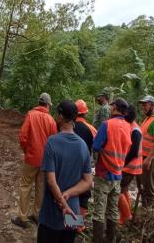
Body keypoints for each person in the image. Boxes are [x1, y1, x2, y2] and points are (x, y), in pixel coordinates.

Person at [38, 100, 93, 243]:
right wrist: (69, 194)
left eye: (58, 114)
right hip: (73, 214)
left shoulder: (52, 142)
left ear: (61, 117)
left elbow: (51, 181)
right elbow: (88, 181)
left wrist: (63, 204)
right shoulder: (82, 145)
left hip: (52, 214)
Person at [12, 93, 57, 228]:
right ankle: (37, 215)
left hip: (31, 158)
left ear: (39, 102)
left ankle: (23, 217)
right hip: (45, 161)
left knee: (25, 185)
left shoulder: (31, 115)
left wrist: (27, 151)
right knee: (41, 187)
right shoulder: (51, 120)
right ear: (48, 105)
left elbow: (23, 137)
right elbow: (54, 142)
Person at [92, 98, 131, 243]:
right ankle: (111, 238)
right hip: (117, 174)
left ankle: (97, 240)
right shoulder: (128, 127)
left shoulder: (107, 125)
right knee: (113, 209)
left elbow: (96, 146)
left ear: (114, 108)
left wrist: (105, 151)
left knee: (99, 210)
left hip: (104, 173)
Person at [73, 99, 97, 232]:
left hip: (70, 165)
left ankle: (70, 222)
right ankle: (78, 225)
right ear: (85, 113)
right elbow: (98, 146)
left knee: (70, 192)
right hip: (84, 166)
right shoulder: (91, 129)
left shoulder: (69, 126)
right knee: (84, 194)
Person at [118, 104, 143, 224]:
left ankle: (127, 216)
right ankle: (126, 216)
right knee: (124, 189)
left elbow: (133, 152)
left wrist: (122, 163)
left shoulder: (135, 130)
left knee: (117, 191)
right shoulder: (132, 127)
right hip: (131, 166)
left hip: (130, 166)